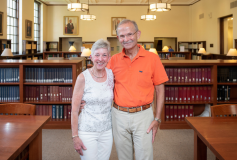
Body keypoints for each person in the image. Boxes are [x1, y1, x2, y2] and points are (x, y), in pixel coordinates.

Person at [107, 19, 168, 160]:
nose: (126, 39)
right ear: (118, 38)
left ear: (138, 34)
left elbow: (160, 89)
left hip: (144, 115)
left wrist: (157, 118)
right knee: (124, 157)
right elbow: (102, 84)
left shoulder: (153, 59)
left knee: (144, 157)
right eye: (122, 36)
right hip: (118, 115)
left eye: (129, 34)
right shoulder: (113, 60)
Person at [71, 39, 114, 160]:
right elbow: (74, 110)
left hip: (107, 130)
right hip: (87, 130)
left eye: (104, 55)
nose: (101, 59)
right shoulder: (82, 77)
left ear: (109, 57)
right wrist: (75, 136)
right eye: (97, 55)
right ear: (91, 57)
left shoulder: (111, 75)